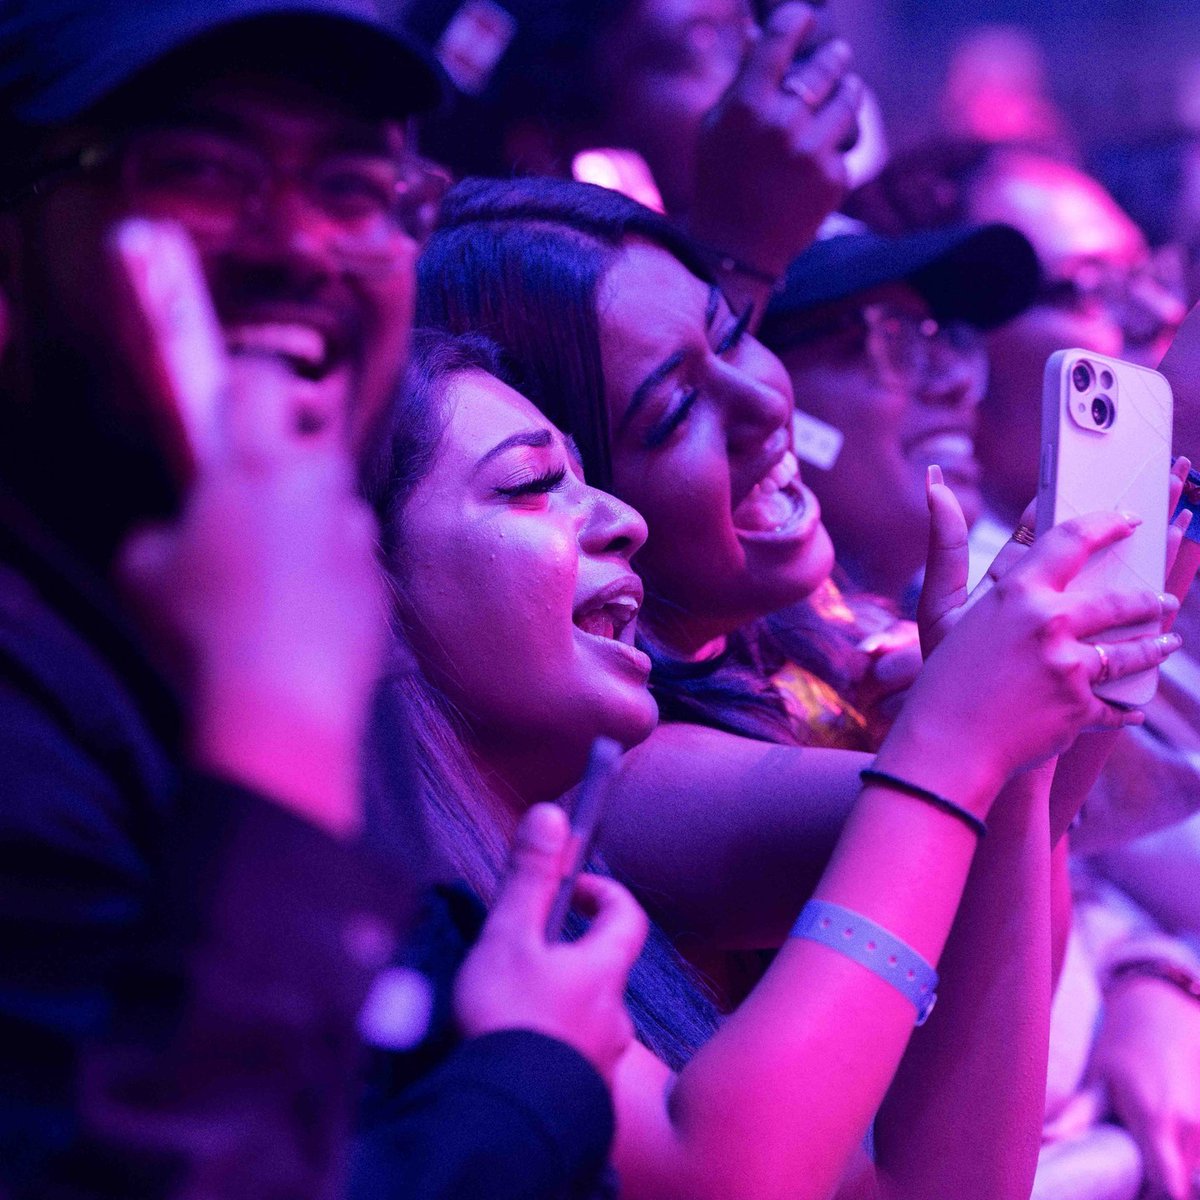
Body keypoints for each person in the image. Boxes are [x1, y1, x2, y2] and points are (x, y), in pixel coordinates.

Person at [409, 181, 1181, 1197]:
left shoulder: (809, 644)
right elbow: (737, 1173)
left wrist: (1032, 766)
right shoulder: (583, 813)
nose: (770, 400)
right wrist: (971, 741)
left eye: (738, 334)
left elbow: (932, 1187)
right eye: (675, 404)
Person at [0, 3, 641, 1195]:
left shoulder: (299, 596)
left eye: (352, 185)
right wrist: (530, 1083)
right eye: (198, 167)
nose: (298, 243)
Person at [403, 0, 865, 318]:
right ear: (546, 150)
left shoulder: (836, 272)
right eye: (702, 41)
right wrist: (736, 259)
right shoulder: (526, 342)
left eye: (746, 28)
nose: (763, 69)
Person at [755, 218, 1039, 604]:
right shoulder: (703, 654)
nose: (957, 381)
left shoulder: (964, 639)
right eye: (893, 339)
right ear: (759, 388)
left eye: (953, 340)